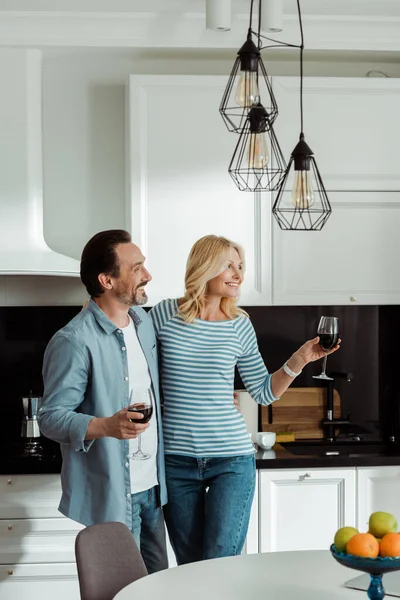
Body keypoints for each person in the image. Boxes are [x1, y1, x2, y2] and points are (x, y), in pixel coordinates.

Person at [150, 234, 340, 565]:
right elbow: (138, 370)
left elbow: (264, 391)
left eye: (241, 266)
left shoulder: (240, 324)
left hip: (231, 460)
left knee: (222, 560)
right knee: (190, 565)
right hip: (174, 460)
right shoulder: (165, 314)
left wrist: (300, 358)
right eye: (229, 265)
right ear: (204, 266)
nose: (239, 274)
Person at [38, 230, 168, 574]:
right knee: (123, 592)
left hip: (152, 488)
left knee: (161, 591)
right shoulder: (74, 340)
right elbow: (50, 417)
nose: (148, 275)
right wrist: (106, 426)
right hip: (114, 493)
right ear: (107, 280)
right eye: (137, 268)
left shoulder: (144, 324)